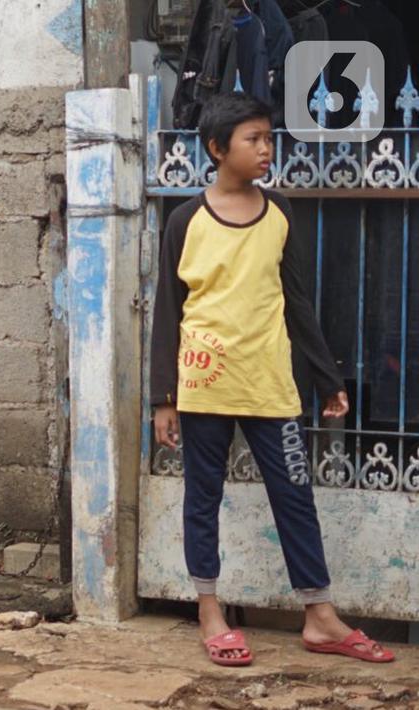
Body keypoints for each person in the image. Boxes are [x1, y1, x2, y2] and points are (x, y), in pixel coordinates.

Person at [150, 92, 395, 667]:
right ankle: (210, 612)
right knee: (202, 498)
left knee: (295, 496)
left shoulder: (280, 213)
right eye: (253, 139)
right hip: (203, 386)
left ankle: (320, 617)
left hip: (270, 386)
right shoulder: (186, 220)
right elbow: (168, 310)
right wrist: (163, 399)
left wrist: (327, 377)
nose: (266, 149)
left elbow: (297, 302)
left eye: (268, 137)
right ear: (217, 149)